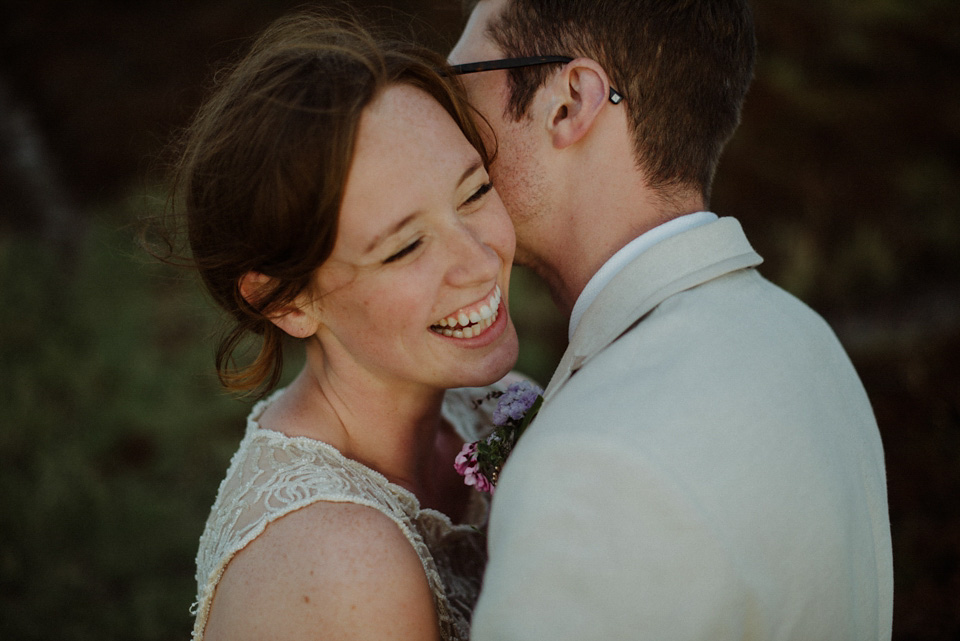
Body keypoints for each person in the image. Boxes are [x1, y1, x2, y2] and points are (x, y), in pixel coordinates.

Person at [448, 0, 894, 639]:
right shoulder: (802, 337)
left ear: (569, 102)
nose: (443, 122)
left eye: (458, 84)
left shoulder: (594, 464)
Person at [169, 11, 522, 641]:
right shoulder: (338, 562)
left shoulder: (495, 406)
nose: (478, 260)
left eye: (473, 192)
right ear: (287, 301)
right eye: (405, 247)